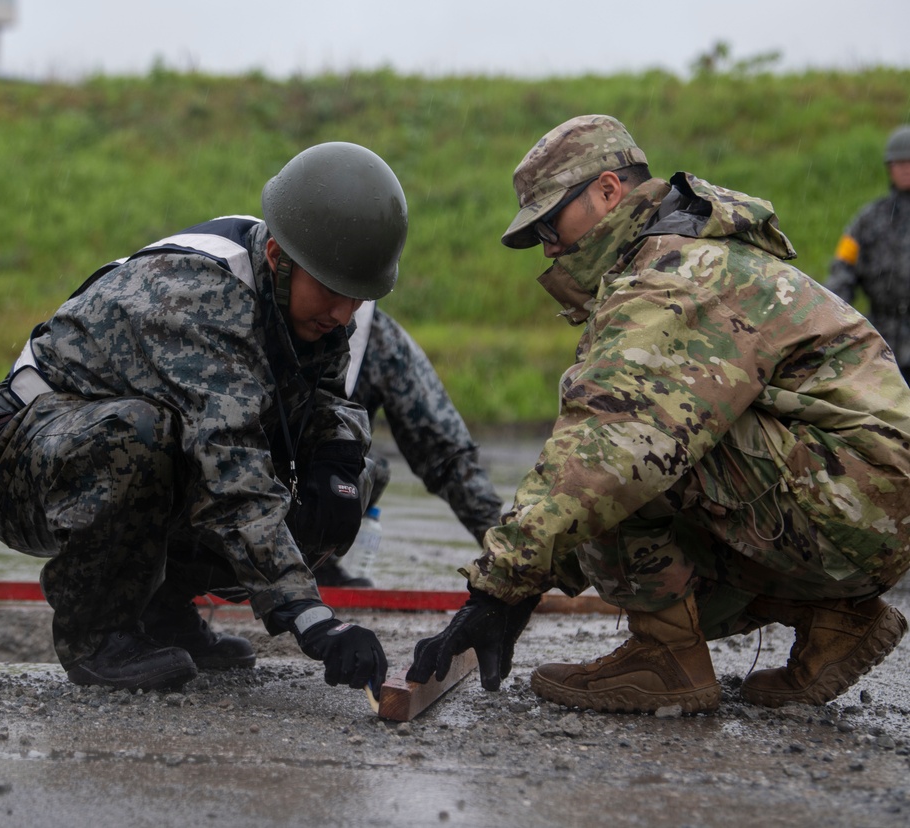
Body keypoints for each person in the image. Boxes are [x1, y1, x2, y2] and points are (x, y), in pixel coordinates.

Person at [407, 115, 910, 715]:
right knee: (621, 448)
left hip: (854, 498)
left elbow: (607, 452)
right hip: (864, 503)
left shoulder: (674, 276)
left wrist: (499, 591)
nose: (548, 245)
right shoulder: (690, 255)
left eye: (550, 221)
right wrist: (524, 582)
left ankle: (667, 656)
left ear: (608, 191)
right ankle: (833, 622)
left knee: (620, 447)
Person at [0, 141, 408, 695]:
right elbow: (232, 474)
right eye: (332, 293)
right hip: (34, 467)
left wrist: (335, 461)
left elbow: (327, 397)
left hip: (121, 463)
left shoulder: (306, 292)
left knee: (345, 482)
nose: (343, 313)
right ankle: (97, 635)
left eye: (356, 298)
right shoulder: (200, 300)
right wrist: (310, 617)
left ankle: (160, 611)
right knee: (143, 436)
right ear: (279, 258)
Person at [313, 300, 504, 587]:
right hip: (236, 487)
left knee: (367, 468)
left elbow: (445, 451)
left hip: (308, 495)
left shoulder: (379, 339)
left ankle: (315, 564)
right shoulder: (238, 295)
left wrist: (506, 550)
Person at [826, 125, 910, 382]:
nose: (906, 168)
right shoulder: (868, 221)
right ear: (889, 167)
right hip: (882, 342)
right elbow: (842, 275)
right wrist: (831, 328)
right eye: (899, 162)